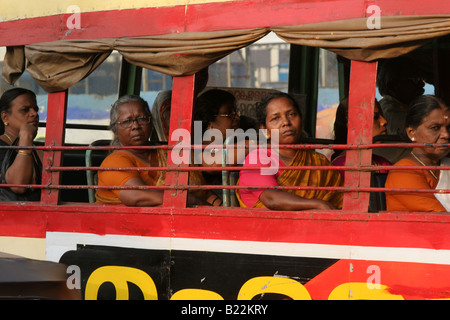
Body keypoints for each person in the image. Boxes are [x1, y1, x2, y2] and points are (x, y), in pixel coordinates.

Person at [95, 94, 219, 206]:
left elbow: (203, 193)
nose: (136, 126)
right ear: (115, 131)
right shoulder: (114, 161)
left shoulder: (167, 152)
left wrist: (219, 207)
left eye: (142, 119)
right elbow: (136, 196)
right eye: (127, 121)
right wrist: (190, 200)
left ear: (151, 123)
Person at [236, 92, 343, 210]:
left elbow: (341, 201)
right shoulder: (257, 159)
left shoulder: (319, 161)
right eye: (275, 118)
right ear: (265, 131)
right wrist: (319, 205)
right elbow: (272, 199)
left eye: (292, 114)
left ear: (301, 121)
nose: (286, 122)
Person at [385, 95, 450, 212]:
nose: (446, 135)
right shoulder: (403, 172)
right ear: (411, 133)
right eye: (435, 127)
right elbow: (441, 220)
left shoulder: (445, 164)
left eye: (449, 128)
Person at [332, 98, 391, 179]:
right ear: (353, 125)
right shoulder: (341, 167)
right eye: (375, 117)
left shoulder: (382, 163)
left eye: (382, 116)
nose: (384, 121)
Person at [0, 87, 41, 200]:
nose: (34, 113)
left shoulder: (40, 149)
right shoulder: (1, 146)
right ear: (5, 117)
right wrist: (25, 137)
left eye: (35, 109)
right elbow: (19, 186)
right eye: (25, 110)